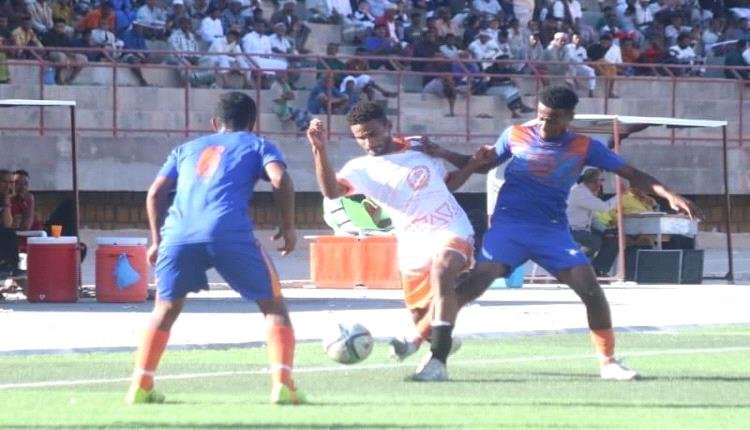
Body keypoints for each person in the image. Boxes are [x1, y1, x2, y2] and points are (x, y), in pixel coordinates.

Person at [420, 86, 701, 381]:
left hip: (551, 230)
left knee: (591, 290)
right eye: (541, 116)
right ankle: (436, 357)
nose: (544, 124)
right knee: (474, 284)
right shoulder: (515, 134)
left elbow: (631, 174)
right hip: (509, 227)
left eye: (552, 119)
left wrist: (670, 194)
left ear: (569, 118)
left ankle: (608, 363)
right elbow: (480, 166)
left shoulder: (584, 146)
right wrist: (443, 152)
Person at [125, 92, 304, 405]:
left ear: (213, 122)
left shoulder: (185, 149)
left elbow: (155, 193)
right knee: (274, 306)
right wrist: (288, 226)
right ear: (253, 122)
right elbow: (280, 179)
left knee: (164, 309)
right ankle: (283, 385)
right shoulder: (257, 144)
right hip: (228, 232)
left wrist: (157, 240)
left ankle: (140, 385)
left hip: (178, 235)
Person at [306, 102, 481, 381]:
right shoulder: (359, 169)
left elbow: (448, 183)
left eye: (372, 134)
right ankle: (441, 334)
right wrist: (319, 149)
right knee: (420, 314)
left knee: (443, 271)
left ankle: (437, 360)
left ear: (387, 126)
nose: (368, 142)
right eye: (361, 138)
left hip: (450, 227)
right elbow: (331, 192)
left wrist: (467, 162)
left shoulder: (417, 147)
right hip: (412, 242)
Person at [567, 168, 618, 276]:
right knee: (594, 241)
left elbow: (593, 217)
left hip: (584, 229)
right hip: (572, 229)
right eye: (601, 180)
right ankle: (571, 265)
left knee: (612, 239)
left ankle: (598, 270)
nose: (601, 184)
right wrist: (620, 195)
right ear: (593, 181)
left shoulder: (587, 193)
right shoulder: (579, 192)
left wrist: (606, 230)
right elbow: (605, 207)